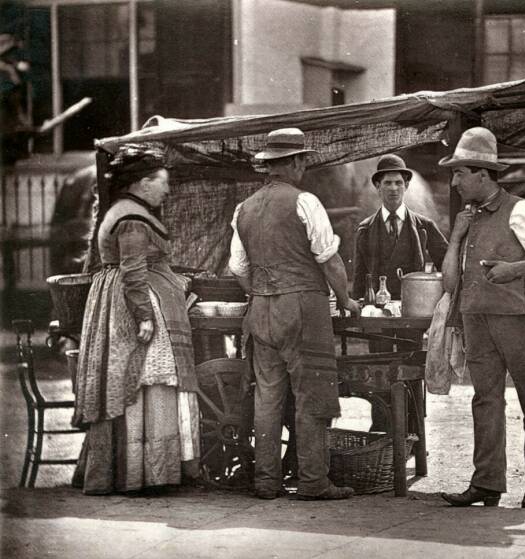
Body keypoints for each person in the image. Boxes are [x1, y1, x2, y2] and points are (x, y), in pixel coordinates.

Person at [438, 127, 525, 510]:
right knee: (485, 401)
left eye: (459, 173)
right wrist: (456, 238)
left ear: (482, 173)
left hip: (519, 318)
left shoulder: (521, 210)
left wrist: (514, 269)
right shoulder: (466, 218)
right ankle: (487, 483)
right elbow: (450, 282)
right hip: (477, 319)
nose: (454, 181)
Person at [229, 127, 360, 501]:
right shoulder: (306, 202)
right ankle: (313, 481)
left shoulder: (244, 208)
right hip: (302, 310)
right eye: (303, 159)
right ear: (294, 162)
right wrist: (347, 300)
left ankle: (266, 482)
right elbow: (329, 260)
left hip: (260, 310)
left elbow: (238, 268)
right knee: (311, 396)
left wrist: (262, 291)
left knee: (267, 398)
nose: (304, 165)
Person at [73, 150, 200, 495]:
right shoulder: (131, 217)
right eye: (163, 183)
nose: (167, 190)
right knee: (145, 380)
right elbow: (133, 271)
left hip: (124, 299)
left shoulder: (128, 211)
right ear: (144, 183)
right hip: (132, 304)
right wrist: (144, 316)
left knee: (137, 381)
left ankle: (138, 472)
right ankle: (143, 475)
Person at [352, 154, 448, 431]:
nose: (393, 188)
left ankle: (413, 431)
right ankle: (382, 430)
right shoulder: (365, 230)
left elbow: (447, 263)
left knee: (410, 368)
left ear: (406, 186)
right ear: (378, 188)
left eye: (398, 182)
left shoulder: (423, 227)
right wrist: (360, 310)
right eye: (387, 183)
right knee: (379, 369)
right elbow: (359, 277)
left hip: (411, 314)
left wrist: (439, 297)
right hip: (378, 316)